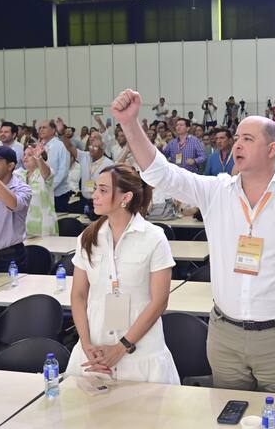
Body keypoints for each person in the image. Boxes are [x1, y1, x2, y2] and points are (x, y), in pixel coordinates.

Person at [111, 89, 275, 394]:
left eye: (248, 138)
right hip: (225, 335)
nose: (238, 144)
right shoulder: (216, 192)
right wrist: (129, 124)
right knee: (227, 416)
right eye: (237, 138)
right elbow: (161, 174)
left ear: (272, 148)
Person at [67, 164, 180, 384]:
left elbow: (159, 301)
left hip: (140, 350)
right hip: (95, 351)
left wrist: (122, 347)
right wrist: (86, 344)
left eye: (103, 190)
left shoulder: (154, 237)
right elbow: (78, 295)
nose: (95, 196)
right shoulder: (88, 237)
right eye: (96, 189)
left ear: (125, 197)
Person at [58, 123, 114, 218]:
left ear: (102, 147)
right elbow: (70, 146)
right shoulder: (85, 156)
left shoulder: (109, 164)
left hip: (101, 202)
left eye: (95, 145)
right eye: (90, 143)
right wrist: (61, 134)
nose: (91, 147)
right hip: (85, 200)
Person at [15, 143, 58, 237]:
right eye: (24, 154)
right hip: (22, 225)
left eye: (30, 155)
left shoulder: (44, 173)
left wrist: (39, 158)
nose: (25, 157)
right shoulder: (18, 174)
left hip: (43, 226)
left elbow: (46, 173)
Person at [37, 119, 71, 213]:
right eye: (40, 128)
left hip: (58, 194)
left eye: (44, 127)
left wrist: (49, 186)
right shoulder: (39, 145)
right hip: (41, 193)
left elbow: (63, 171)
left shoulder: (60, 146)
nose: (41, 130)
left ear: (53, 130)